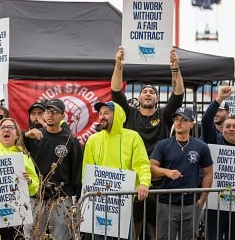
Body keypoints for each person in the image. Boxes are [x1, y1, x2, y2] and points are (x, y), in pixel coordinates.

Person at [111, 46, 184, 239]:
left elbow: (178, 95)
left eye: (152, 92)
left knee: (156, 225)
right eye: (145, 91)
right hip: (133, 179)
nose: (149, 93)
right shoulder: (129, 114)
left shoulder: (164, 115)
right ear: (139, 97)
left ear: (157, 99)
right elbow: (116, 91)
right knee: (133, 224)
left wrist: (175, 69)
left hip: (158, 180)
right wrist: (118, 66)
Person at [0, 81, 39, 240]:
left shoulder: (23, 157)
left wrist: (29, 181)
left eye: (10, 127)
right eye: (3, 127)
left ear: (17, 135)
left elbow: (35, 187)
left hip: (14, 215)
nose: (5, 129)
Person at [83, 101, 151, 239]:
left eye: (106, 113)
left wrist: (144, 183)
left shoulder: (133, 137)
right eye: (100, 113)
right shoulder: (92, 140)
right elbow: (87, 171)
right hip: (99, 203)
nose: (102, 116)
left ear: (117, 115)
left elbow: (142, 164)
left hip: (123, 203)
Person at [150, 107, 213, 240]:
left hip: (191, 204)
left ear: (192, 123)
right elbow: (151, 166)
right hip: (166, 203)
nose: (178, 123)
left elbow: (208, 172)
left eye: (184, 120)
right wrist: (166, 172)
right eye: (176, 119)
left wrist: (201, 200)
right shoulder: (163, 144)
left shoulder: (201, 147)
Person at [24, 98, 83, 240]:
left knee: (61, 237)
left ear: (62, 116)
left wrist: (76, 195)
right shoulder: (34, 135)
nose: (50, 115)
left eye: (55, 112)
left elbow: (76, 170)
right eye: (48, 111)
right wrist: (25, 135)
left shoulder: (70, 140)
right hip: (37, 197)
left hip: (61, 198)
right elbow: (11, 144)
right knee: (33, 236)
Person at [200, 86, 235, 239]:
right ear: (222, 129)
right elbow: (206, 121)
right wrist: (219, 99)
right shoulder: (215, 140)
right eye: (228, 126)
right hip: (215, 204)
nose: (231, 129)